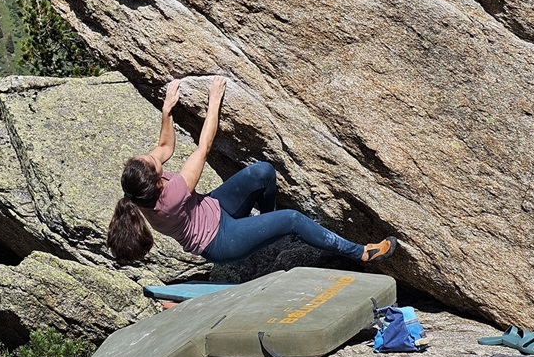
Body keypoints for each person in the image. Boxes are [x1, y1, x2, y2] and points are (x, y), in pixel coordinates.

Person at [107, 75, 397, 266]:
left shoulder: (137, 189)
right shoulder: (172, 195)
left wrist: (167, 111)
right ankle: (359, 251)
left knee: (263, 172)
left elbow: (164, 147)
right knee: (293, 219)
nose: (152, 156)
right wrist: (214, 101)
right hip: (221, 241)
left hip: (216, 209)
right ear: (159, 182)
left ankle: (268, 229)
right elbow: (203, 147)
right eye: (152, 162)